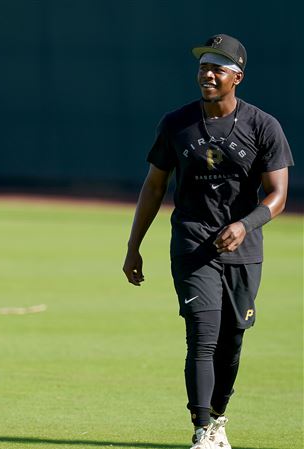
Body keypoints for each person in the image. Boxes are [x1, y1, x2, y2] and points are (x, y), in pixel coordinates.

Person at [122, 34, 293, 449]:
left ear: (238, 77)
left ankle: (218, 417)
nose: (208, 74)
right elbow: (154, 186)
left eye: (218, 67)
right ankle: (201, 430)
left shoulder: (263, 125)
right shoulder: (176, 124)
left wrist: (244, 226)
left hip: (243, 249)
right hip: (192, 243)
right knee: (203, 334)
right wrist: (134, 246)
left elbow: (278, 197)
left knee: (232, 339)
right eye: (203, 66)